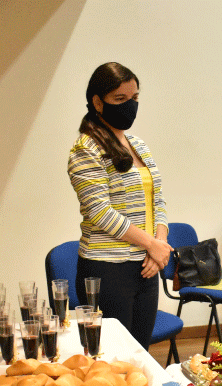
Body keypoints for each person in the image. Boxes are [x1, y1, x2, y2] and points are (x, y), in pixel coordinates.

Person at [68, 62, 172, 349]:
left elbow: (158, 198)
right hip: (107, 270)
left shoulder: (138, 144)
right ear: (97, 102)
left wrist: (159, 245)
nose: (130, 105)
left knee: (141, 356)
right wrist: (151, 244)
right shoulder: (86, 149)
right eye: (120, 99)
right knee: (113, 361)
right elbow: (99, 212)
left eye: (135, 98)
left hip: (146, 266)